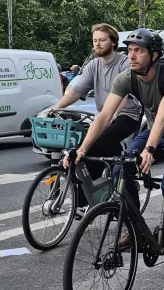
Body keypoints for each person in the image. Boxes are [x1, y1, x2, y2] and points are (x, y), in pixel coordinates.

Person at [68, 29, 164, 262]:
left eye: (138, 51)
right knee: (121, 170)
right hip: (152, 130)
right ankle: (136, 228)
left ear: (155, 55)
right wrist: (82, 149)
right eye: (129, 51)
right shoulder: (126, 78)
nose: (131, 56)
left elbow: (163, 114)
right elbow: (104, 116)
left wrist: (149, 149)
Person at [53, 24, 141, 180]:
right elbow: (76, 91)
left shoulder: (124, 64)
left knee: (99, 142)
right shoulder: (93, 65)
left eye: (102, 40)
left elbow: (123, 94)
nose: (97, 44)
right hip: (103, 115)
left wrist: (113, 114)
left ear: (113, 42)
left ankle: (100, 181)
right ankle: (88, 190)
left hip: (126, 114)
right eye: (94, 41)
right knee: (80, 145)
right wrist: (56, 108)